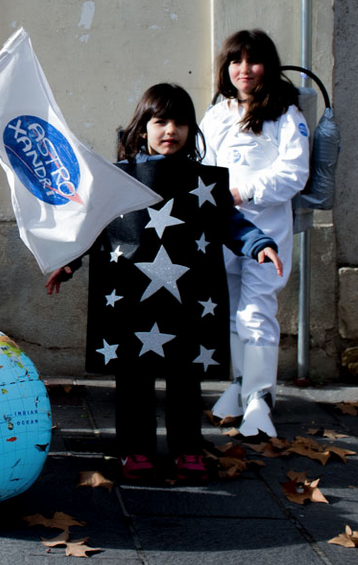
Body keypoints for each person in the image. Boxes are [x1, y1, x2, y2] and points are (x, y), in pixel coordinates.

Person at [46, 83, 283, 482]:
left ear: (191, 129)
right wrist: (67, 263)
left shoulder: (202, 182)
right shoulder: (118, 180)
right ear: (143, 128)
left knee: (185, 379)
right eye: (160, 121)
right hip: (131, 301)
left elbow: (230, 221)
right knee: (134, 379)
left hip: (188, 302)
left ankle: (188, 448)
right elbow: (92, 226)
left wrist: (258, 244)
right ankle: (134, 450)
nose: (170, 129)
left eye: (180, 122)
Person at [200, 30, 310, 438]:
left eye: (253, 61)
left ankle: (260, 398)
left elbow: (294, 173)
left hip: (265, 230)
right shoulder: (217, 114)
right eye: (235, 62)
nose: (243, 70)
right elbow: (204, 165)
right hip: (225, 230)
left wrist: (242, 191)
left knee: (255, 312)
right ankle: (240, 385)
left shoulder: (284, 115)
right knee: (231, 313)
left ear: (268, 65)